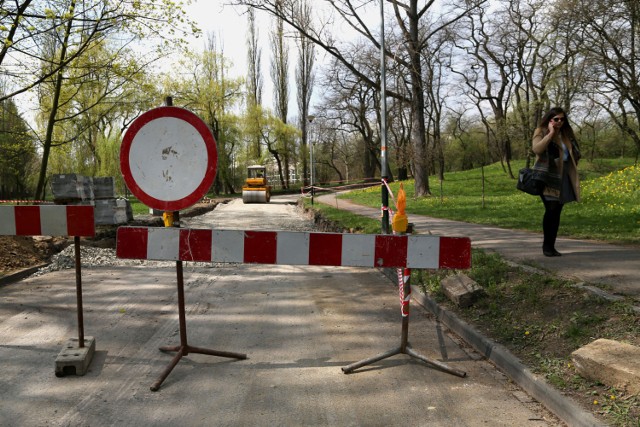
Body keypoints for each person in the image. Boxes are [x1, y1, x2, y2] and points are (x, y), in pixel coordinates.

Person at [531, 107, 581, 257]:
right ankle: (547, 247)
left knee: (557, 211)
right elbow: (537, 149)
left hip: (564, 174)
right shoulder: (540, 130)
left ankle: (551, 247)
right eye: (556, 119)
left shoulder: (566, 133)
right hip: (547, 175)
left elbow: (573, 151)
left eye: (562, 119)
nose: (559, 122)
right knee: (551, 209)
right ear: (550, 120)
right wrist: (551, 134)